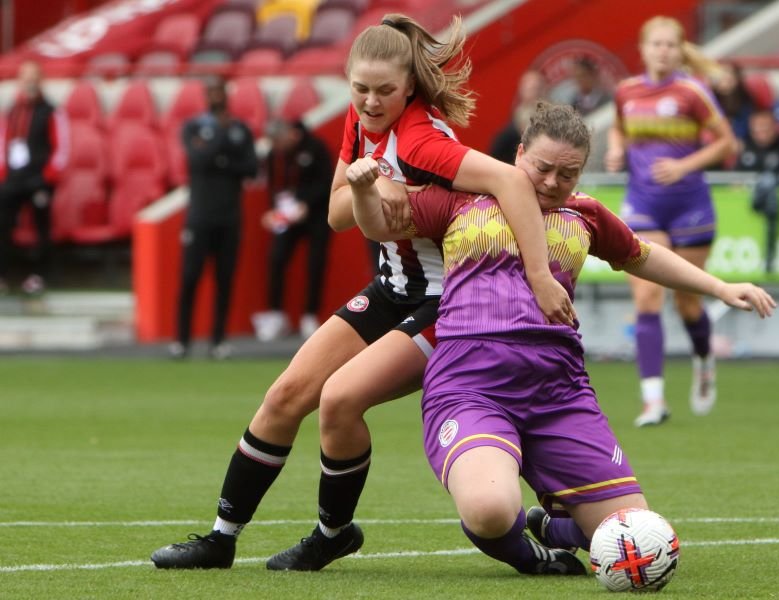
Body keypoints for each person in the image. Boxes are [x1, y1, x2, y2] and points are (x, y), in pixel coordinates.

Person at [151, 13, 573, 570]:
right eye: (360, 89)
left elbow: (511, 180)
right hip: (393, 288)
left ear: (409, 88)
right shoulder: (361, 120)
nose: (371, 102)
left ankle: (333, 533)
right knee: (285, 397)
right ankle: (220, 538)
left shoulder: (421, 139)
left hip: (448, 304)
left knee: (340, 400)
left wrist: (539, 275)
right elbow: (335, 214)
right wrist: (372, 178)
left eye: (385, 91)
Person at [346, 101, 775, 574]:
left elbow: (643, 255)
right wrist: (364, 188)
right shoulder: (461, 199)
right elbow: (379, 225)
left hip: (559, 392)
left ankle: (551, 527)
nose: (552, 182)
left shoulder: (585, 214)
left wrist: (720, 287)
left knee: (639, 534)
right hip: (471, 385)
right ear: (519, 153)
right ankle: (528, 555)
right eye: (542, 167)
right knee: (489, 511)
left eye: (567, 174)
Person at [606, 16, 737, 427]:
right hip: (643, 205)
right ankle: (653, 400)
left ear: (681, 51)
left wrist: (683, 166)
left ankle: (703, 358)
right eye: (655, 44)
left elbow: (727, 143)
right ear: (642, 49)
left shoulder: (692, 91)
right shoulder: (626, 91)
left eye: (670, 45)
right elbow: (619, 130)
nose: (662, 51)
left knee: (687, 300)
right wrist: (614, 150)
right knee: (647, 297)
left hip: (691, 206)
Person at [169, 77, 258, 360]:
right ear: (206, 96)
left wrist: (219, 159)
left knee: (225, 280)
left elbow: (251, 168)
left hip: (229, 217)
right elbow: (197, 160)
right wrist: (222, 146)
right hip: (199, 216)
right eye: (211, 92)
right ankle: (181, 340)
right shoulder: (194, 126)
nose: (216, 96)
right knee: (189, 278)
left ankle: (218, 340)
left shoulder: (240, 129)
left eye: (220, 91)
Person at [252, 119, 332, 342]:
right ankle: (276, 314)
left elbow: (327, 182)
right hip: (286, 215)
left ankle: (310, 315)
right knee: (276, 258)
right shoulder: (273, 157)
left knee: (315, 263)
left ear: (289, 135)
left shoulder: (316, 147)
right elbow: (273, 187)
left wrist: (306, 204)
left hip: (316, 215)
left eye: (278, 142)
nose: (276, 148)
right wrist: (272, 211)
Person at [0, 60, 69, 296]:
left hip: (39, 179)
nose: (29, 82)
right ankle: (3, 275)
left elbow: (62, 148)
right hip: (14, 178)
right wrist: (3, 173)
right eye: (25, 77)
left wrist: (48, 176)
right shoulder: (13, 110)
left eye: (34, 77)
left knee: (42, 226)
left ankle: (40, 275)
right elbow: (4, 142)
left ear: (41, 81)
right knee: (3, 222)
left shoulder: (51, 111)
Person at [736, 109, 779, 273]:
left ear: (775, 127)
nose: (761, 133)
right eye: (757, 128)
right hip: (744, 219)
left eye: (765, 128)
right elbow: (733, 179)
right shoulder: (746, 145)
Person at [489, 69, 547, 165]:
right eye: (530, 89)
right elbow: (494, 156)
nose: (534, 93)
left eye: (537, 88)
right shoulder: (510, 130)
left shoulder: (555, 120)